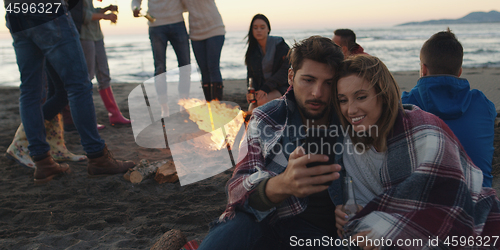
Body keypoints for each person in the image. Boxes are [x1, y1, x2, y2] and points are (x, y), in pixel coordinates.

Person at [333, 55, 499, 247]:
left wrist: (386, 229)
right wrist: (351, 214)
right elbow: (364, 205)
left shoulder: (426, 130)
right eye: (343, 100)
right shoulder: (351, 145)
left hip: (467, 215)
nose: (350, 110)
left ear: (384, 94)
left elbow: (445, 204)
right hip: (394, 222)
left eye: (361, 97)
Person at [198, 36, 345, 249]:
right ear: (291, 76)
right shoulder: (267, 117)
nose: (317, 93)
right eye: (308, 80)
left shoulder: (351, 116)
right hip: (267, 220)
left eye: (328, 83)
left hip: (318, 232)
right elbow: (236, 190)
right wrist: (282, 185)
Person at [5, 0, 135, 184]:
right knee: (78, 86)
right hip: (48, 9)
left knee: (30, 91)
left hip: (16, 12)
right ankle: (98, 157)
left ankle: (42, 162)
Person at [402, 29, 495, 187]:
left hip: (430, 205)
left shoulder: (407, 105)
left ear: (423, 69)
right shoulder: (483, 104)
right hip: (482, 202)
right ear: (459, 72)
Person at [132, 0, 191, 117]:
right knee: (160, 68)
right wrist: (135, 8)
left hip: (177, 22)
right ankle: (164, 106)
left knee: (185, 66)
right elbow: (136, 1)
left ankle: (183, 104)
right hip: (156, 24)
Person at [79, 0, 131, 125]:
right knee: (87, 78)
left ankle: (115, 114)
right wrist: (105, 16)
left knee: (104, 75)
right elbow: (82, 15)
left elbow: (90, 11)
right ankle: (88, 119)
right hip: (84, 36)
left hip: (96, 36)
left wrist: (105, 9)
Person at [245, 14, 290, 113]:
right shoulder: (252, 51)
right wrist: (251, 92)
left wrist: (266, 88)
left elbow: (285, 71)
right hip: (263, 89)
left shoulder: (280, 45)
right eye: (255, 28)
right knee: (252, 107)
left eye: (262, 27)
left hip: (281, 86)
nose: (259, 30)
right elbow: (250, 76)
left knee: (262, 102)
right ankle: (253, 128)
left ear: (268, 29)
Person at [182, 0, 225, 102]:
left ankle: (218, 107)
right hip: (196, 33)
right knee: (204, 70)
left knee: (213, 67)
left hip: (214, 29)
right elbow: (182, 7)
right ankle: (209, 105)